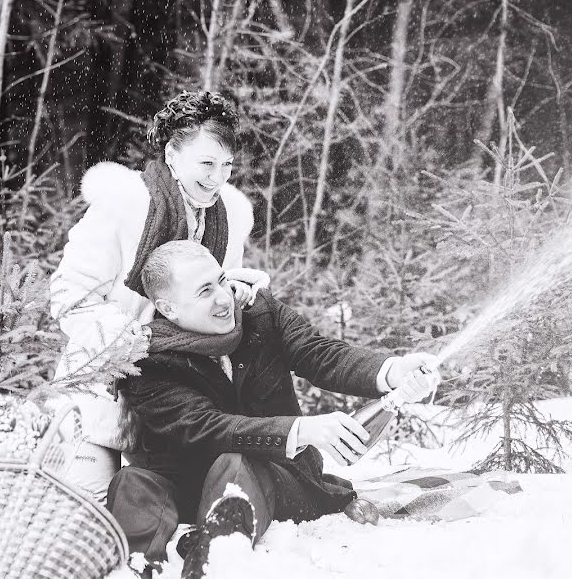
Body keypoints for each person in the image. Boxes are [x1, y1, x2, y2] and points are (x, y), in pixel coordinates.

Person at [108, 241, 440, 579]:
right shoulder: (146, 359)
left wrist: (394, 371)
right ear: (169, 308)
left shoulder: (261, 315)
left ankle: (212, 565)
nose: (224, 298)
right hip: (188, 483)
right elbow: (203, 426)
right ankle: (133, 569)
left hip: (278, 478)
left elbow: (322, 355)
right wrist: (301, 429)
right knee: (132, 481)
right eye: (205, 291)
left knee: (235, 462)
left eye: (221, 280)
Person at [49, 91, 269, 501]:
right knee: (88, 513)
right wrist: (127, 338)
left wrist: (235, 291)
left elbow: (217, 285)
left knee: (163, 510)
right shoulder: (125, 203)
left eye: (227, 166)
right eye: (206, 163)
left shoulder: (232, 214)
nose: (217, 178)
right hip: (104, 382)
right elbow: (69, 293)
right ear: (172, 154)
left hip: (178, 392)